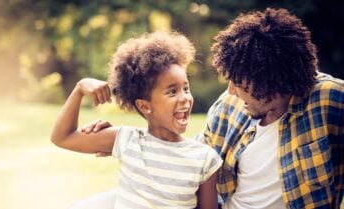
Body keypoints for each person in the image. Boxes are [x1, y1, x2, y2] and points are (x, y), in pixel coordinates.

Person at [83, 8, 344, 209]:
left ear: (272, 81)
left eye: (240, 84)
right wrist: (138, 142)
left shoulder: (329, 100)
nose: (231, 91)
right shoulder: (230, 106)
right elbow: (192, 152)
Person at [51, 31, 223, 209]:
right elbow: (62, 137)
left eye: (186, 88)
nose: (184, 98)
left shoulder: (204, 158)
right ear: (144, 106)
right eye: (172, 91)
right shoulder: (127, 140)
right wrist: (80, 88)